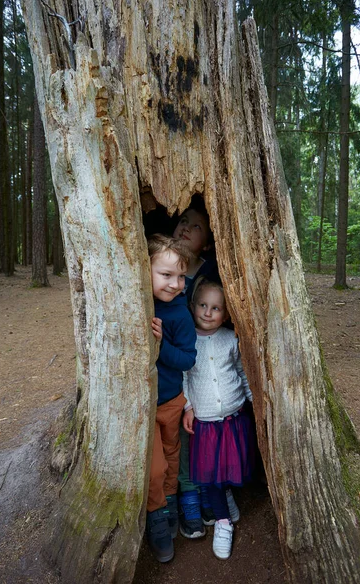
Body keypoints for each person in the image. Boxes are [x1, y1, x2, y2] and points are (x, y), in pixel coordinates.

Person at [183, 279, 255, 560]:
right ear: (193, 306)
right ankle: (223, 523)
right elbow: (183, 377)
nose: (208, 312)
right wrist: (188, 407)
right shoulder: (187, 340)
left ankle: (226, 497)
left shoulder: (230, 339)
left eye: (215, 308)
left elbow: (242, 370)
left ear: (225, 314)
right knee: (211, 475)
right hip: (205, 421)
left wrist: (253, 399)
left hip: (234, 417)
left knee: (228, 464)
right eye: (203, 305)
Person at [146, 234, 197, 563]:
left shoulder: (180, 315)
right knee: (154, 468)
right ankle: (156, 519)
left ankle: (171, 505)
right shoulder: (139, 302)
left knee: (172, 458)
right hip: (142, 407)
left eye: (181, 276)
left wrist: (161, 345)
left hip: (171, 402)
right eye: (166, 275)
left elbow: (187, 360)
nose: (176, 284)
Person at [172, 204, 221, 538]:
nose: (187, 228)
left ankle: (207, 491)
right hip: (170, 368)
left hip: (206, 368)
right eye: (183, 221)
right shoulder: (161, 267)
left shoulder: (212, 274)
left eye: (197, 226)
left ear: (206, 243)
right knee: (176, 435)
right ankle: (183, 497)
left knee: (202, 433)